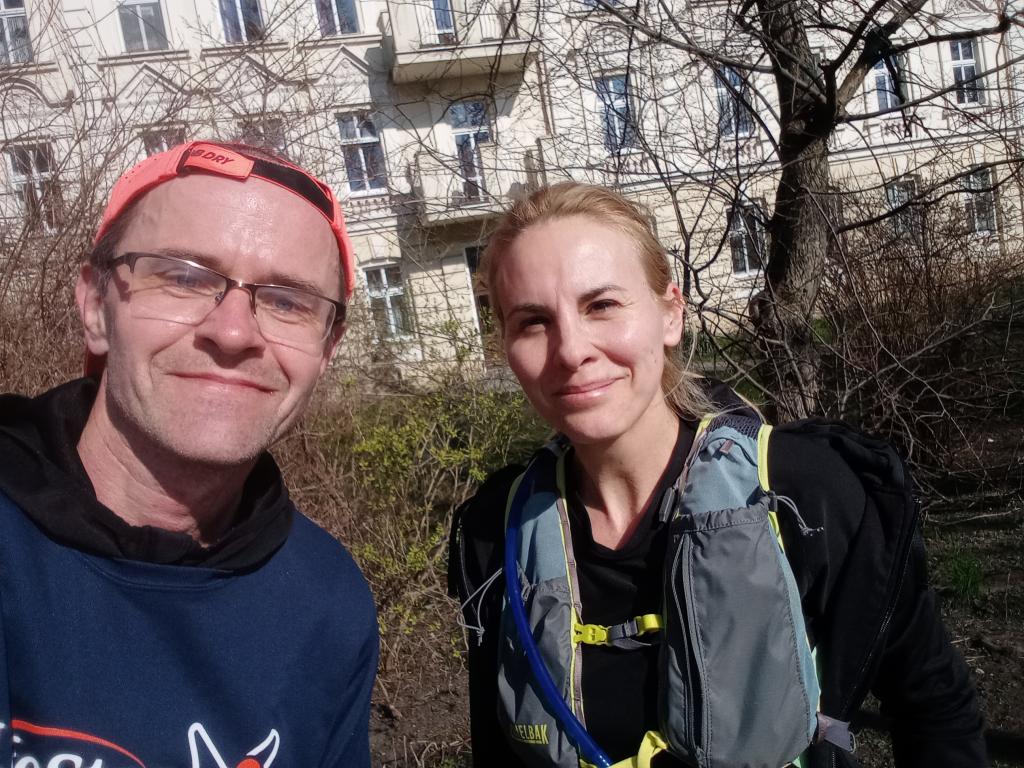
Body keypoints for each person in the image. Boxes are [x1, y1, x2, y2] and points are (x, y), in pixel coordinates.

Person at [448, 182, 986, 768]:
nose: (571, 351)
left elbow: (934, 712)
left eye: (601, 305)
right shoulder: (496, 532)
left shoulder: (803, 495)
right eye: (533, 322)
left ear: (670, 313)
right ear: (506, 345)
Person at [0, 141, 377, 767]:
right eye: (183, 277)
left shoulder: (328, 603)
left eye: (287, 300)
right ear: (95, 307)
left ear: (326, 350)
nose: (232, 333)